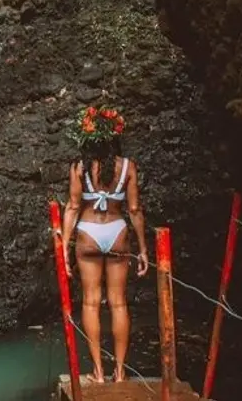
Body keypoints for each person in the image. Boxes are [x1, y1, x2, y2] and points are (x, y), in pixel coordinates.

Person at [61, 106, 149, 383]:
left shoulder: (79, 167)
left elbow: (73, 207)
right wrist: (143, 248)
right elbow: (134, 209)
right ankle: (120, 372)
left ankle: (98, 372)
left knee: (90, 303)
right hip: (117, 232)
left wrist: (64, 246)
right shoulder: (127, 167)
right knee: (119, 304)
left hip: (88, 232)